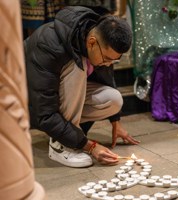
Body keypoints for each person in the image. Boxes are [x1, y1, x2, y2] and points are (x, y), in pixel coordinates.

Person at [24, 5, 140, 168]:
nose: (108, 64)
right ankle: (61, 146)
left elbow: (106, 79)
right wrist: (90, 146)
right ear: (92, 43)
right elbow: (45, 114)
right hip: (30, 105)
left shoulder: (96, 38)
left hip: (56, 100)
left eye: (113, 61)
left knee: (113, 100)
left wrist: (116, 122)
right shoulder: (49, 45)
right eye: (107, 59)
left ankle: (71, 135)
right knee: (78, 66)